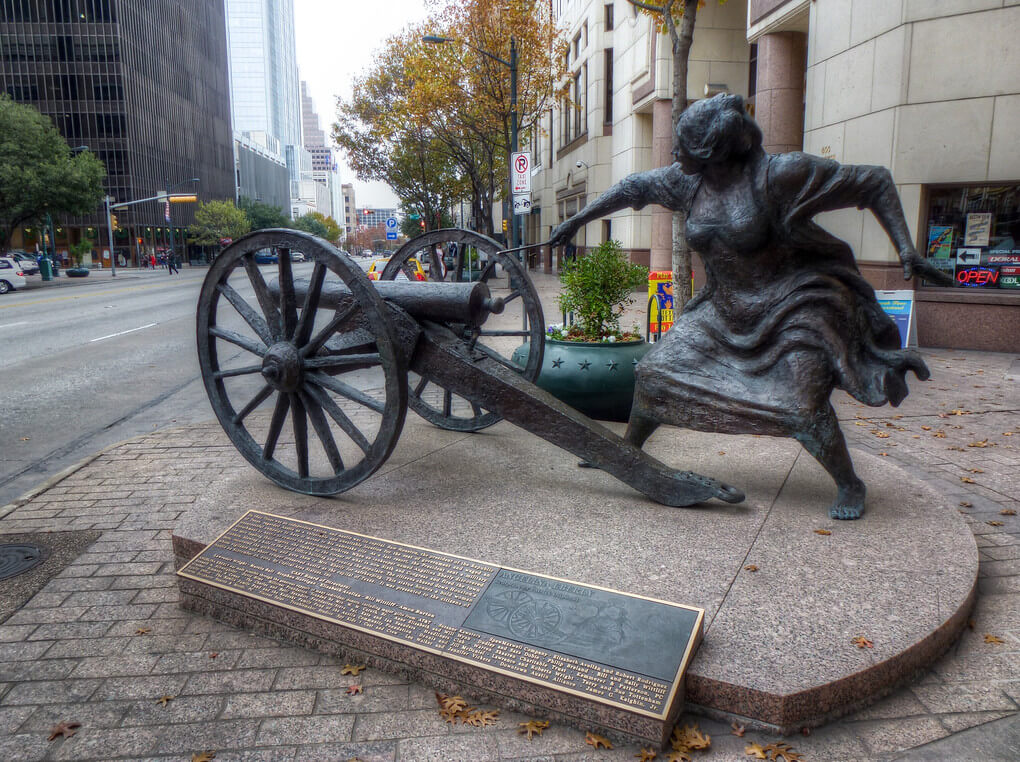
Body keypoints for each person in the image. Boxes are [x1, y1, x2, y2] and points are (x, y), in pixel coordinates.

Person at [550, 94, 954, 520]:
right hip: (722, 311)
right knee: (654, 372)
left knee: (802, 407)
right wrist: (577, 220)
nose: (675, 153)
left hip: (796, 307)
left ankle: (850, 483)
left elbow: (874, 182)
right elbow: (633, 188)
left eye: (684, 146)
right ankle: (628, 450)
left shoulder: (781, 175)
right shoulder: (688, 181)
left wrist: (907, 250)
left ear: (713, 150)